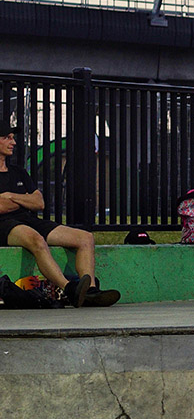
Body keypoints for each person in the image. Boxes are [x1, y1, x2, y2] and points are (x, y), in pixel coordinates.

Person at [0, 119, 111, 306]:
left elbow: (39, 202)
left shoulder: (18, 172)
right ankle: (69, 290)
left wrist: (11, 196)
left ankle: (90, 292)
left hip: (27, 219)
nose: (14, 142)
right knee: (36, 239)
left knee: (85, 238)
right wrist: (23, 200)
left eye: (13, 138)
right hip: (4, 224)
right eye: (7, 138)